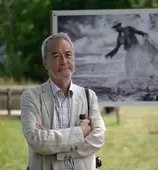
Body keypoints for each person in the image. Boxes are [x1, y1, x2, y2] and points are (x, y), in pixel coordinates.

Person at [20, 32, 106, 170]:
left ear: (74, 58)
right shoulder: (31, 97)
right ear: (45, 62)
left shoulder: (89, 96)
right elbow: (36, 140)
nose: (64, 61)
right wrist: (80, 133)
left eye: (68, 54)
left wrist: (54, 150)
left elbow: (98, 138)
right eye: (56, 56)